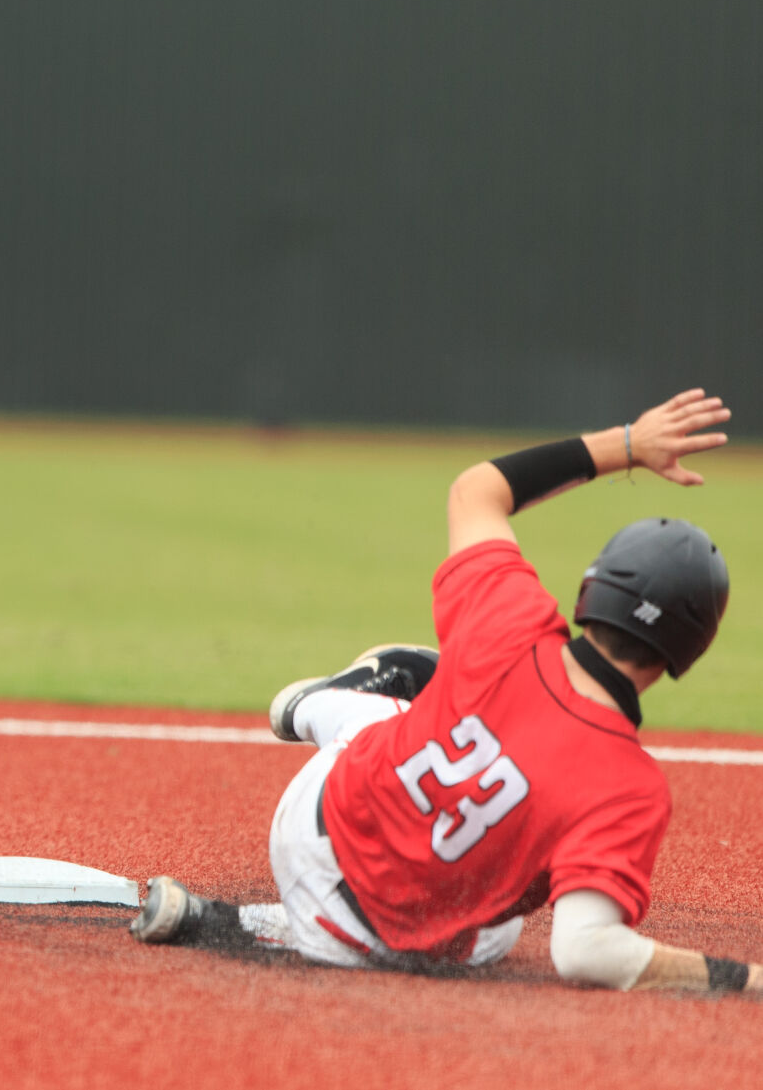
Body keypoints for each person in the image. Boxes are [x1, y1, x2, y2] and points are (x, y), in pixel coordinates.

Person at [131, 389, 762, 995]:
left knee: (410, 696)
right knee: (508, 910)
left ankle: (307, 710)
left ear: (591, 592)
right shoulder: (632, 790)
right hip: (413, 951)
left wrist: (626, 444)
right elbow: (585, 950)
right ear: (689, 652)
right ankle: (285, 912)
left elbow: (476, 489)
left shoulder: (511, 619)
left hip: (308, 835)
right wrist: (744, 977)